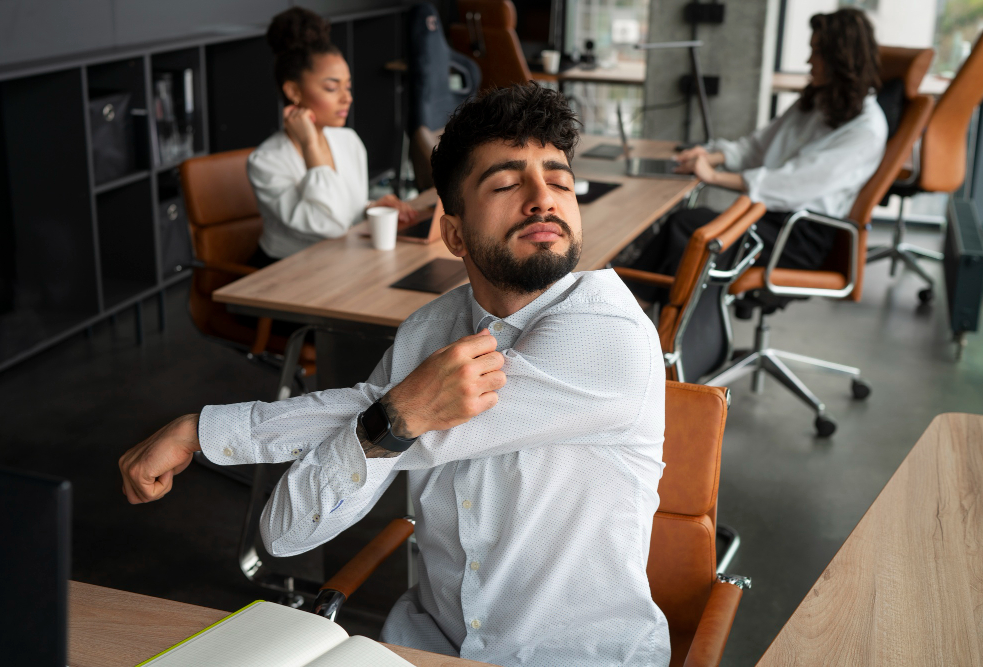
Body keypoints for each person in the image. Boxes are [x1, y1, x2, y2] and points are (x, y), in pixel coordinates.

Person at [119, 84, 670, 666]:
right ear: (453, 233)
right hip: (428, 644)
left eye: (559, 181)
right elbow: (285, 534)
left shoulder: (609, 334)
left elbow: (388, 414)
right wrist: (390, 416)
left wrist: (207, 431)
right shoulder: (430, 329)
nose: (542, 199)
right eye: (508, 184)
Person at [626, 7, 887, 301]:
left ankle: (634, 312)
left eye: (817, 53)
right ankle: (639, 310)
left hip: (797, 235)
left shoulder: (866, 128)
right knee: (684, 226)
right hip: (768, 220)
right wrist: (713, 156)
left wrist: (714, 177)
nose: (808, 61)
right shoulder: (818, 102)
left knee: (686, 227)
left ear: (841, 59)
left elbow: (791, 185)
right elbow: (756, 147)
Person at [248, 8, 416, 266]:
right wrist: (309, 145)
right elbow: (330, 225)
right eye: (331, 87)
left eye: (347, 86)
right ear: (293, 90)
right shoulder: (266, 161)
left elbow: (341, 212)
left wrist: (368, 208)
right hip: (286, 274)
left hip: (342, 263)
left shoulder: (347, 140)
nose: (346, 97)